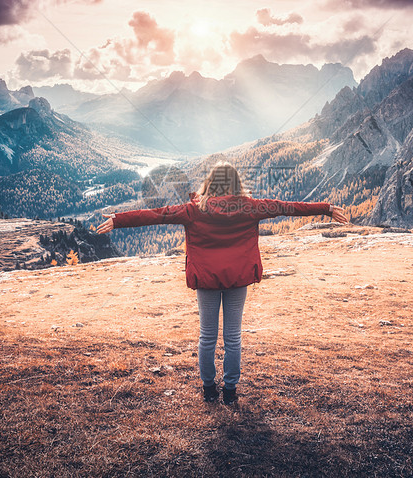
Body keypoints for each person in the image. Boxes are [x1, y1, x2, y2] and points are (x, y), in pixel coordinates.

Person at [96, 162, 348, 405]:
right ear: (237, 184)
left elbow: (157, 215)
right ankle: (229, 390)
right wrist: (325, 208)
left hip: (206, 280)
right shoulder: (252, 207)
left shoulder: (193, 210)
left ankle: (208, 389)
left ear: (210, 184)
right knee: (233, 338)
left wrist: (119, 219)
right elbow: (286, 207)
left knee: (207, 337)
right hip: (238, 279)